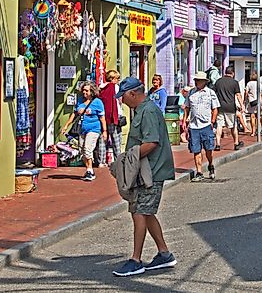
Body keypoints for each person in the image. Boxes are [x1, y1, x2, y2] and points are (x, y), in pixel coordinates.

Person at [111, 77, 177, 277]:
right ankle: (164, 254)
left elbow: (151, 143)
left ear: (132, 94)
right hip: (146, 170)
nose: (122, 101)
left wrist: (127, 160)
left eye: (123, 97)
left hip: (151, 171)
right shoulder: (144, 109)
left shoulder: (147, 110)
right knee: (145, 212)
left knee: (139, 212)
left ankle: (136, 260)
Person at [61, 81, 106, 181]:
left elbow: (102, 118)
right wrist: (66, 125)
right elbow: (74, 114)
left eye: (86, 90)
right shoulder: (80, 100)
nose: (84, 92)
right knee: (82, 151)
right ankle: (88, 169)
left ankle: (90, 170)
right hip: (82, 129)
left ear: (92, 91)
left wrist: (104, 131)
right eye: (83, 90)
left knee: (87, 149)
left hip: (94, 129)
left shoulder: (98, 102)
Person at [184, 72, 219, 181]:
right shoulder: (191, 93)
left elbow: (215, 109)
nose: (197, 82)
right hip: (194, 126)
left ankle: (210, 165)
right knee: (196, 150)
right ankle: (199, 172)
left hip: (206, 125)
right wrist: (185, 119)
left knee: (208, 149)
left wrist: (212, 121)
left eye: (199, 80)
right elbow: (187, 107)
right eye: (196, 80)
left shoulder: (210, 93)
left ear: (204, 82)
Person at [213, 66, 243, 151]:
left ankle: (218, 144)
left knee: (219, 126)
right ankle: (236, 143)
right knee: (233, 126)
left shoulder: (218, 82)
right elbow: (238, 95)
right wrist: (242, 105)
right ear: (233, 73)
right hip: (230, 107)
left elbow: (213, 93)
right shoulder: (234, 82)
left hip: (220, 107)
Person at [99, 70, 123, 164]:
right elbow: (120, 100)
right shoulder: (115, 87)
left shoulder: (101, 87)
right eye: (117, 78)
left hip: (103, 116)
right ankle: (118, 160)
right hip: (113, 116)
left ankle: (101, 161)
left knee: (103, 138)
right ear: (112, 78)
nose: (118, 80)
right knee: (116, 139)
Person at [244, 71, 261, 137]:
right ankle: (258, 130)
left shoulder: (249, 83)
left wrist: (244, 100)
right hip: (259, 101)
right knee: (258, 116)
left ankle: (253, 131)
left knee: (252, 116)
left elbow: (246, 92)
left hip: (251, 101)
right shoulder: (259, 83)